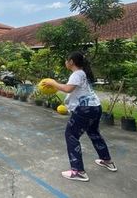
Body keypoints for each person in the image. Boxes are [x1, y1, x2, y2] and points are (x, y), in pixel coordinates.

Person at [43, 51, 117, 182]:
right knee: (94, 133)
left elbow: (67, 89)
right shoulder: (82, 74)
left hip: (85, 110)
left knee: (71, 135)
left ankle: (78, 171)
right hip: (95, 107)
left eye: (67, 60)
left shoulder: (77, 74)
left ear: (71, 62)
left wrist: (53, 83)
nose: (65, 62)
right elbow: (73, 91)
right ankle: (107, 160)